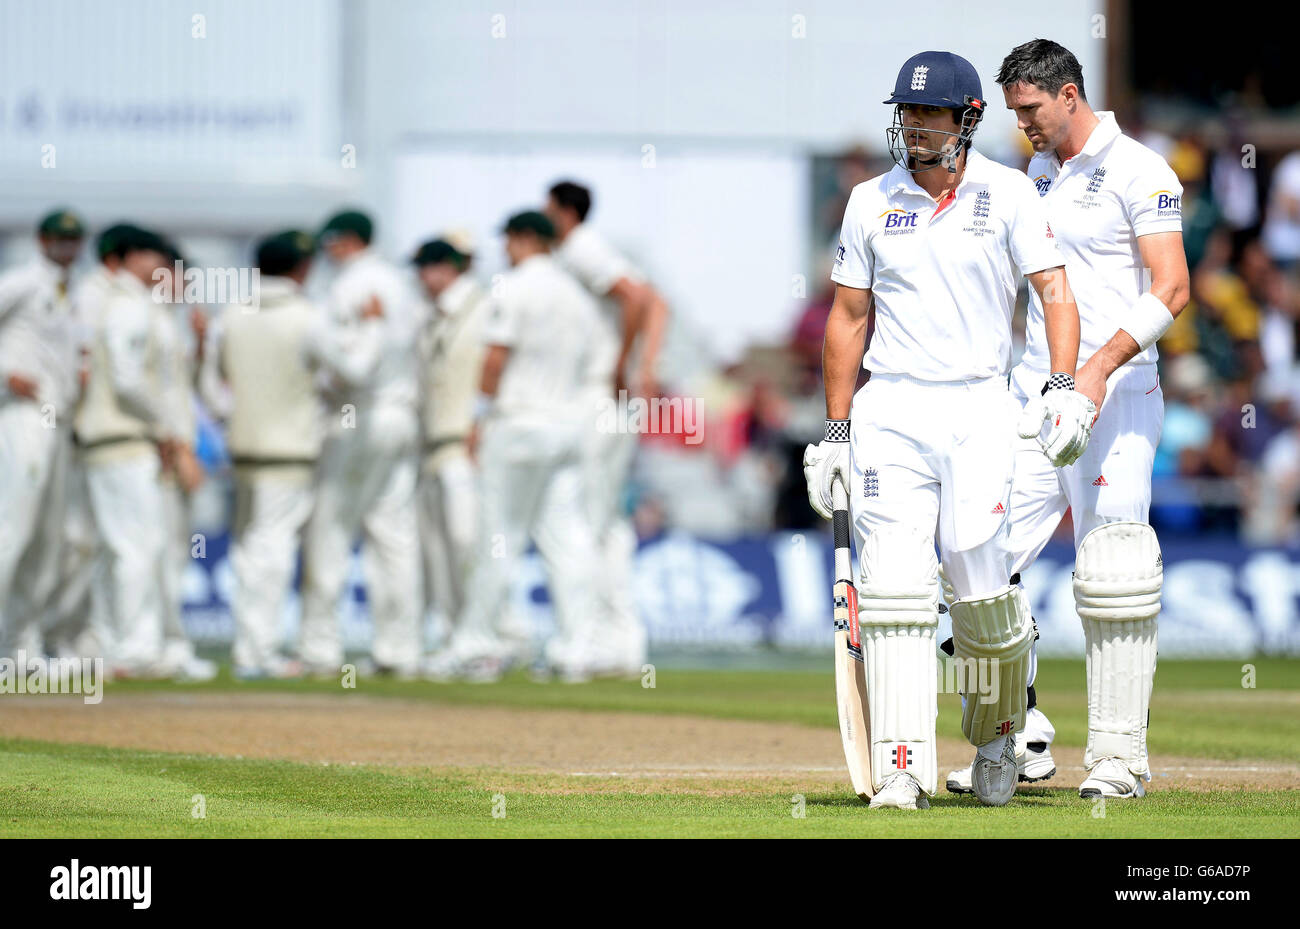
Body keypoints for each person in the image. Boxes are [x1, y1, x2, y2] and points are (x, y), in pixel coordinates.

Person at [802, 51, 1093, 809]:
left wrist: (1061, 385)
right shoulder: (871, 199)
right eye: (907, 112)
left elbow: (1055, 293)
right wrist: (836, 429)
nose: (916, 126)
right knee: (894, 585)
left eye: (931, 114)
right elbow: (848, 317)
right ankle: (901, 762)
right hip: (892, 409)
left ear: (968, 119)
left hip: (978, 407)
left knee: (981, 588)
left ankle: (1000, 735)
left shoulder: (1008, 192)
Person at [950, 39, 1189, 801]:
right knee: (974, 561)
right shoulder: (1040, 171)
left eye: (1029, 109)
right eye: (1015, 112)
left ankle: (1119, 759)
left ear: (1069, 95)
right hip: (1033, 398)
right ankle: (1012, 737)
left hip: (1116, 398)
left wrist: (1095, 370)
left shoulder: (1141, 169)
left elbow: (1173, 288)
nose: (1022, 124)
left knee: (1114, 568)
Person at [425, 211, 603, 682]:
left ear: (525, 240)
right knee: (567, 539)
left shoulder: (512, 286)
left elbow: (495, 359)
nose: (504, 249)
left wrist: (477, 419)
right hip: (566, 426)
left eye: (508, 240)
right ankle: (575, 651)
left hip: (519, 423)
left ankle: (475, 645)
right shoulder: (576, 295)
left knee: (497, 537)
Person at [543, 180, 670, 676]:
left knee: (582, 520)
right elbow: (657, 303)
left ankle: (593, 640)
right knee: (606, 523)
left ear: (563, 212)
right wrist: (646, 366)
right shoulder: (584, 249)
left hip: (599, 398)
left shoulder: (579, 249)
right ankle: (621, 642)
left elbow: (639, 299)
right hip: (610, 400)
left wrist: (625, 365)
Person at [298, 210, 424, 677]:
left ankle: (319, 648)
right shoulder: (399, 285)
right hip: (399, 415)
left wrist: (320, 361)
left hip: (360, 417)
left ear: (349, 241)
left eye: (331, 242)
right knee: (393, 536)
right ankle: (399, 649)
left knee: (330, 532)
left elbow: (354, 368)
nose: (325, 253)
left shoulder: (351, 287)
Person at [200, 231, 324, 678]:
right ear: (303, 268)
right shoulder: (309, 317)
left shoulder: (230, 316)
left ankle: (249, 650)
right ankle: (260, 653)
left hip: (243, 451)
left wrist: (230, 419)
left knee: (249, 551)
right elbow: (349, 373)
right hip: (290, 455)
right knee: (271, 552)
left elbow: (211, 389)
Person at [74, 227, 178, 676]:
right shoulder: (129, 305)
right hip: (124, 441)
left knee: (121, 547)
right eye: (153, 255)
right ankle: (133, 648)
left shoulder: (125, 303)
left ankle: (117, 643)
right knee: (137, 546)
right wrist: (165, 424)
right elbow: (127, 378)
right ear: (133, 257)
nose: (161, 265)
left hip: (114, 442)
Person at [0, 209, 84, 660]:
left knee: (48, 540)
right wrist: (4, 374)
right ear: (41, 239)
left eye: (74, 240)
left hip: (60, 421)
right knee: (11, 530)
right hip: (24, 416)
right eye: (59, 239)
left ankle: (19, 647)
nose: (67, 247)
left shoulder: (73, 294)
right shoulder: (23, 282)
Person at [410, 234, 489, 658]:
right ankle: (455, 637)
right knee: (437, 550)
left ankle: (487, 637)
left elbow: (494, 372)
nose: (425, 276)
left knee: (466, 541)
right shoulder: (429, 317)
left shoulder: (483, 310)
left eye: (433, 266)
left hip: (466, 443)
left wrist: (482, 424)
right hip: (432, 446)